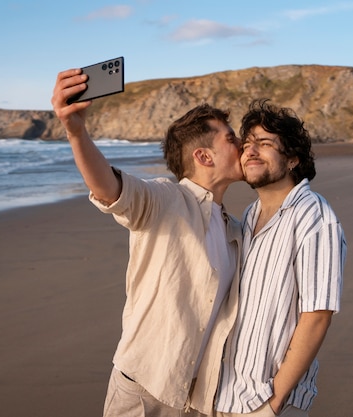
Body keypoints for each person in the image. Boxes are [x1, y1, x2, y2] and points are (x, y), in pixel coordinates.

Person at [51, 68, 244, 417]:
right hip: (144, 392)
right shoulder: (166, 200)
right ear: (204, 157)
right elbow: (110, 190)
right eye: (232, 139)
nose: (241, 145)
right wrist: (76, 132)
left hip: (198, 397)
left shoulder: (235, 230)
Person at [210, 99, 347, 417]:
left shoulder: (314, 217)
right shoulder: (251, 213)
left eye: (265, 144)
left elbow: (317, 315)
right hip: (229, 392)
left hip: (269, 400)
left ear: (292, 159)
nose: (251, 152)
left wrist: (272, 404)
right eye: (247, 145)